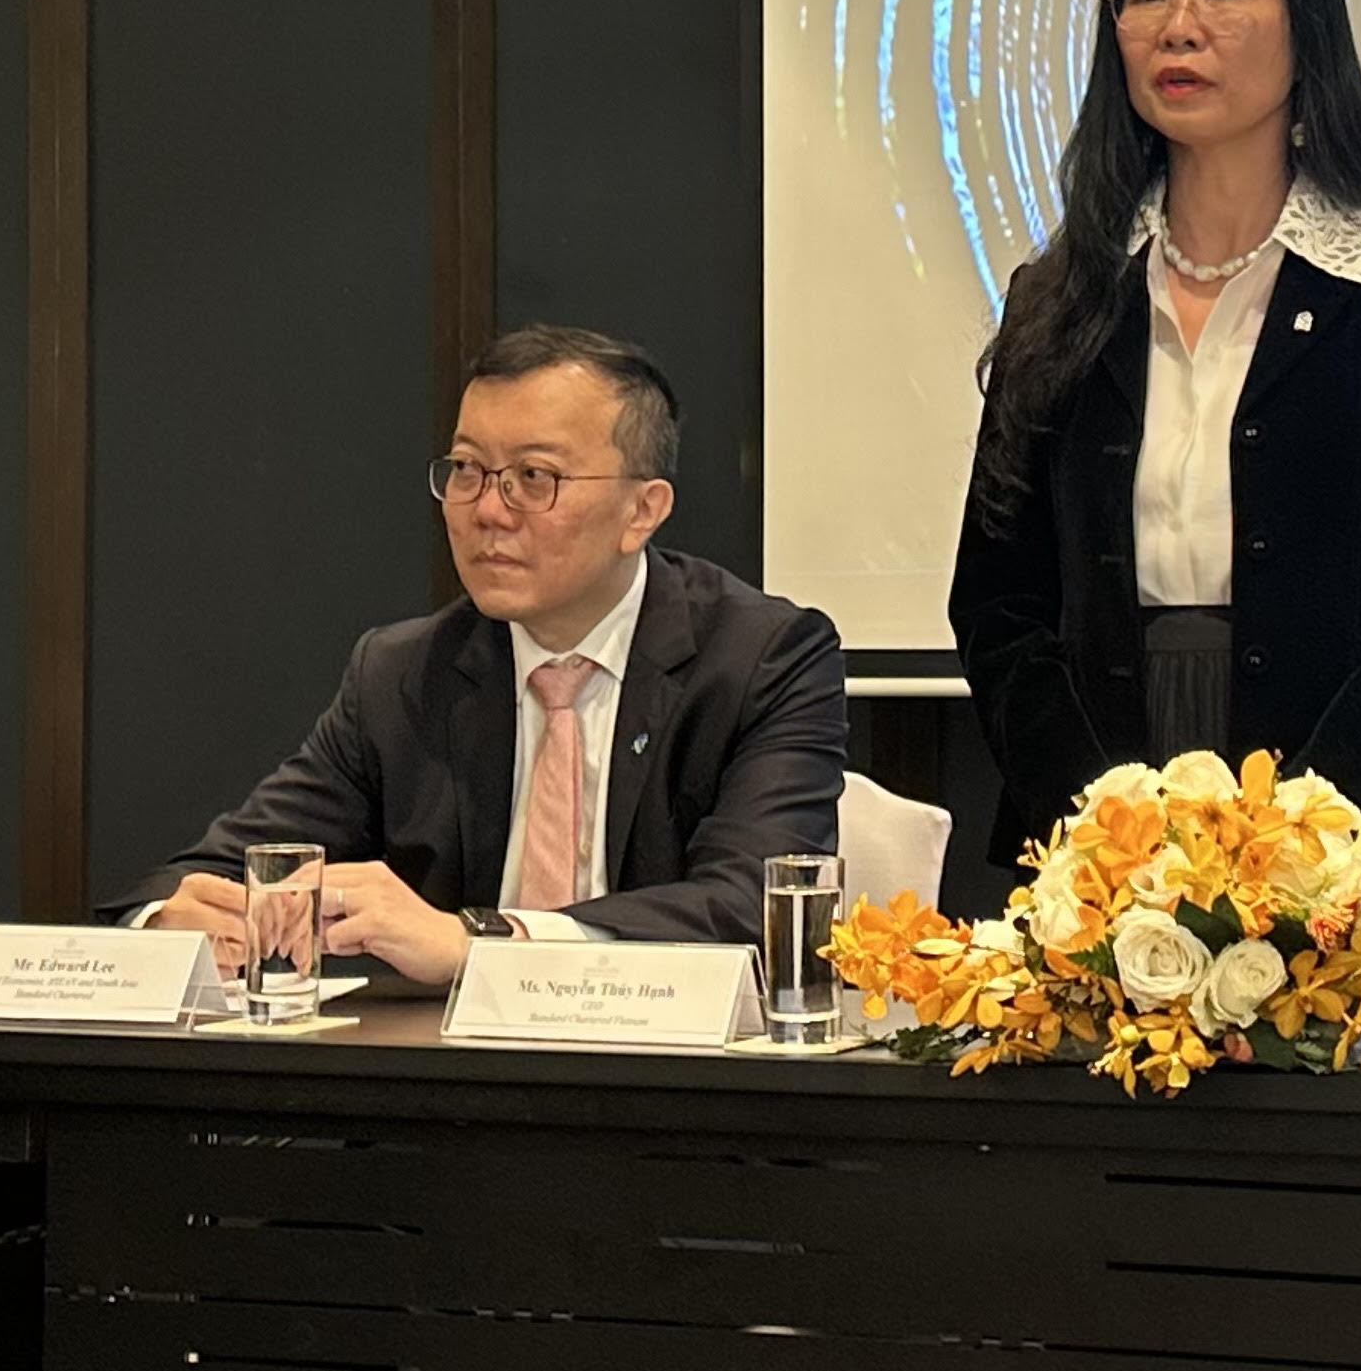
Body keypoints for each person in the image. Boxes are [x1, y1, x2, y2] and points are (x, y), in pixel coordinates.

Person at [949, 0, 1361, 888]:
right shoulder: (1062, 293)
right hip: (1097, 810)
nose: (1177, 25)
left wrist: (1302, 836)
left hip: (1348, 817)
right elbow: (997, 605)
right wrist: (1099, 822)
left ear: (1309, 25)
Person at [106, 325, 847, 982]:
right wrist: (170, 923)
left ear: (641, 511)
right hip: (446, 1105)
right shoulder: (403, 672)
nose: (487, 511)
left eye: (534, 478)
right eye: (466, 471)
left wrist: (481, 941)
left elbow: (758, 909)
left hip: (674, 1107)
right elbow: (228, 867)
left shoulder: (761, 659)